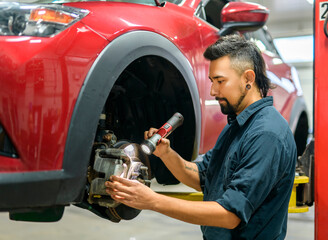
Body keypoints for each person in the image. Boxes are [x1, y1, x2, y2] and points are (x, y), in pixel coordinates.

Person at [105, 34, 297, 240]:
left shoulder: (266, 135)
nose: (213, 90)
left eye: (220, 81)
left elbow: (229, 215)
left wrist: (153, 201)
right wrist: (167, 154)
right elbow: (203, 177)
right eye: (212, 81)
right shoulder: (237, 126)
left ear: (248, 78)